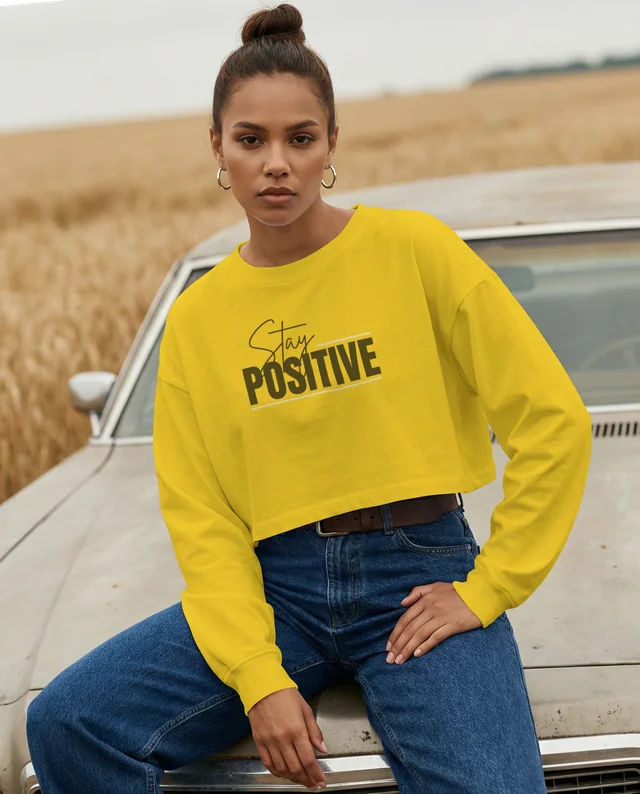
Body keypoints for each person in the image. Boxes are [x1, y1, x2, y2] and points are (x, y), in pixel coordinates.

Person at [25, 3, 593, 793]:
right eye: (250, 140)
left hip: (417, 574)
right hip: (275, 587)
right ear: (218, 149)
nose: (276, 163)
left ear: (331, 143)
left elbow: (553, 421)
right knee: (67, 721)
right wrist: (258, 674)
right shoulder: (199, 319)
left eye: (300, 138)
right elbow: (204, 514)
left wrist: (487, 589)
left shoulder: (416, 250)